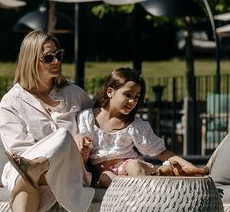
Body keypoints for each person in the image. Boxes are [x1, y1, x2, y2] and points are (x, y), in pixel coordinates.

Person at [0, 30, 95, 212]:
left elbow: (95, 127)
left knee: (62, 138)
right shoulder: (12, 101)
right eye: (48, 58)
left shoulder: (75, 94)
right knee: (27, 172)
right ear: (30, 60)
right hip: (24, 165)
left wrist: (83, 141)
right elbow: (17, 149)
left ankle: (37, 167)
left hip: (69, 170)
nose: (56, 61)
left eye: (58, 55)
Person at [77, 67, 208, 187]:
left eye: (136, 97)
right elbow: (81, 153)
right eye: (128, 94)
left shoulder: (135, 126)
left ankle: (150, 184)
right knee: (105, 178)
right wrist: (83, 149)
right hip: (106, 174)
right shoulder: (86, 118)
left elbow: (163, 153)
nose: (132, 101)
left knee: (133, 165)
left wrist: (193, 168)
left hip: (133, 168)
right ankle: (156, 178)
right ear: (110, 92)